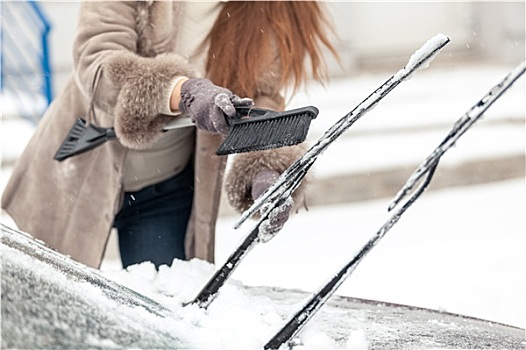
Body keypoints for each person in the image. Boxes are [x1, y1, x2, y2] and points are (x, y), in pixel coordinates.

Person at [2, 1, 338, 269]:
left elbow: (263, 97)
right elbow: (98, 63)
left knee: (161, 309)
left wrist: (267, 166)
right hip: (76, 171)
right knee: (51, 315)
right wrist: (182, 91)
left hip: (165, 189)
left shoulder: (268, 8)